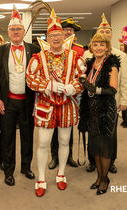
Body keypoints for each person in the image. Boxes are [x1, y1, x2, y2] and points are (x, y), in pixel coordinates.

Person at [26, 9, 86, 197]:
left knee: (64, 141)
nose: (55, 38)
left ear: (64, 36)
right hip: (46, 105)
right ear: (47, 37)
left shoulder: (75, 57)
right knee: (43, 142)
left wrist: (73, 87)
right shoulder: (37, 58)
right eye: (52, 35)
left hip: (67, 105)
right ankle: (42, 178)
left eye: (58, 35)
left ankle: (61, 174)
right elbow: (29, 78)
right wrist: (47, 85)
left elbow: (82, 77)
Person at [0, 7, 40, 186]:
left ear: (23, 31)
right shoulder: (0, 51)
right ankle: (8, 170)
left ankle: (26, 167)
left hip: (28, 102)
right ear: (8, 32)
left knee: (28, 136)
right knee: (7, 137)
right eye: (12, 29)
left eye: (18, 29)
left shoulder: (34, 49)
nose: (15, 32)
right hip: (8, 101)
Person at [83, 13, 127, 173]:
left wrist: (124, 99)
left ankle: (111, 161)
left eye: (107, 32)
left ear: (110, 36)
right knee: (92, 133)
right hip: (90, 103)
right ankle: (92, 160)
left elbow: (124, 80)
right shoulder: (87, 56)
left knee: (110, 134)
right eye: (101, 33)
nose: (104, 35)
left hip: (110, 100)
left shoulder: (120, 56)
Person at [79, 33, 120, 195]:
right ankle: (98, 177)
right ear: (91, 47)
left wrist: (93, 88)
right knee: (94, 147)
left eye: (102, 45)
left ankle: (105, 179)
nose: (98, 48)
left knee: (105, 147)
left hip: (106, 111)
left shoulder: (112, 65)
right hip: (91, 110)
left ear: (107, 47)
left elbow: (113, 89)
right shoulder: (88, 65)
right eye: (95, 44)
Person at [48, 17, 84, 169]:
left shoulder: (79, 50)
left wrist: (74, 89)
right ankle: (54, 156)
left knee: (67, 129)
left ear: (73, 34)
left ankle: (68, 155)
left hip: (71, 97)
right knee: (53, 129)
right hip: (52, 95)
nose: (68, 33)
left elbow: (81, 74)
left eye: (71, 31)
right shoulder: (49, 49)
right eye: (66, 31)